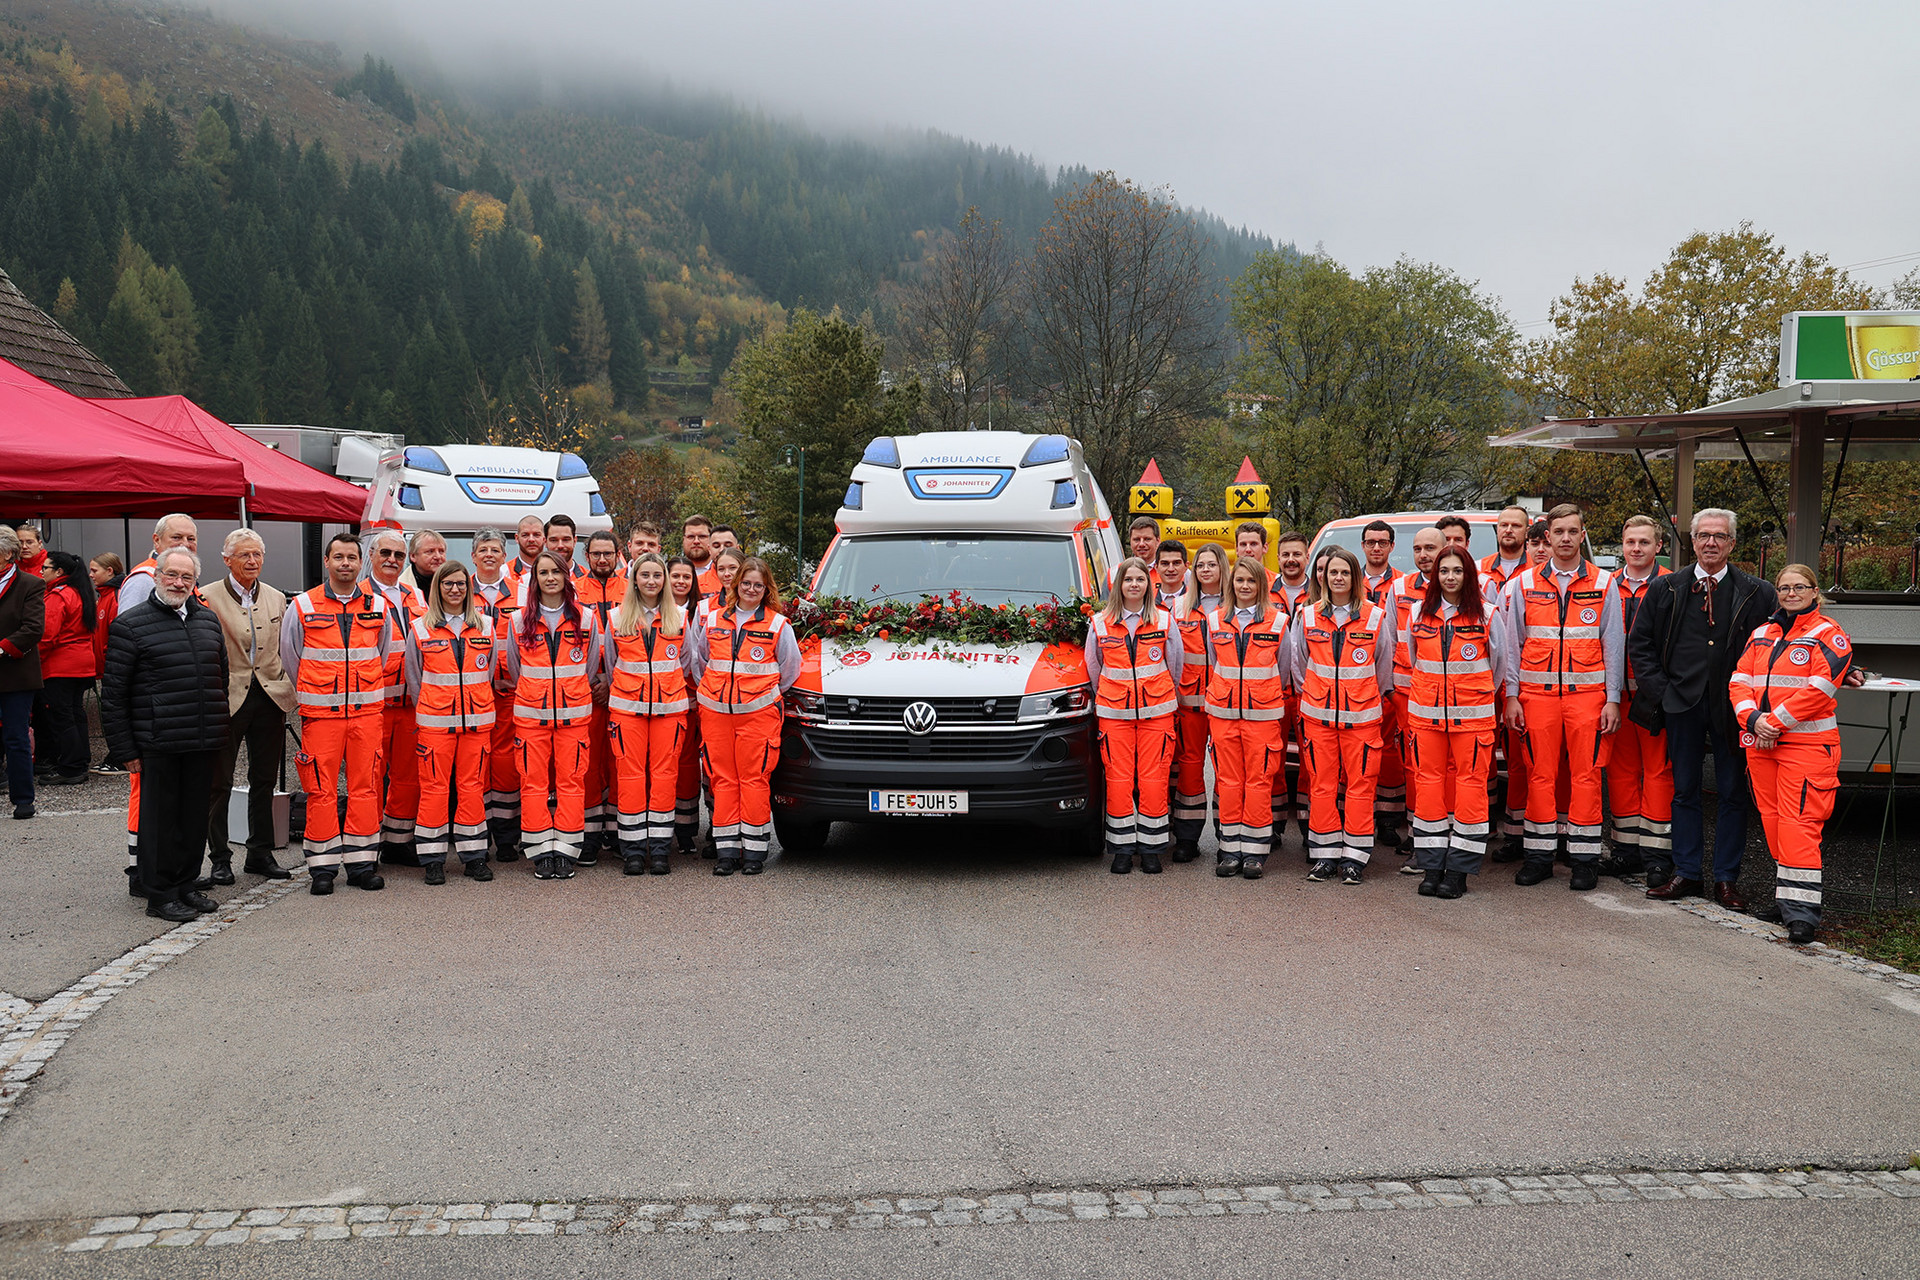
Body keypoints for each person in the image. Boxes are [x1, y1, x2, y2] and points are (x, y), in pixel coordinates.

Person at [1627, 509, 1777, 908]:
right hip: (1682, 703)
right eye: (1704, 535)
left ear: (1732, 543)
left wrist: (1846, 665)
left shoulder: (1757, 591)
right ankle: (1687, 873)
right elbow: (1640, 644)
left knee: (1732, 793)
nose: (1711, 542)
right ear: (1691, 542)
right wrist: (1662, 692)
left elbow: (1786, 637)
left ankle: (1727, 879)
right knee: (1684, 791)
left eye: (1720, 536)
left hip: (1734, 709)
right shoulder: (1667, 588)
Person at [100, 547, 229, 922]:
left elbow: (219, 678)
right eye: (171, 575)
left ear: (194, 582)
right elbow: (114, 694)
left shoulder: (207, 621)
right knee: (159, 823)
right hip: (157, 742)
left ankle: (186, 884)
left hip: (201, 740)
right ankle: (159, 893)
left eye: (186, 577)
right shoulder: (131, 625)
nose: (178, 582)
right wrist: (124, 747)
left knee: (192, 819)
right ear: (157, 576)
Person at [1500, 503, 1623, 891]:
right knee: (1540, 775)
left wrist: (1613, 698)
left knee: (1586, 777)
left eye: (1573, 531)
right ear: (1546, 537)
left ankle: (1585, 861)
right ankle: (1538, 858)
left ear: (1582, 535)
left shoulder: (1604, 583)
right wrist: (1513, 696)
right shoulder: (1522, 584)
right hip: (1536, 698)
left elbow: (1614, 644)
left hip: (1588, 697)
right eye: (1559, 532)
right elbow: (1512, 644)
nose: (1566, 538)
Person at [1731, 564, 1851, 943]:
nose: (1791, 593)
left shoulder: (1828, 635)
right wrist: (1753, 721)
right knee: (1775, 821)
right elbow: (1738, 681)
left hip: (1806, 746)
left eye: (1799, 587)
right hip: (1762, 745)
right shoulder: (1763, 633)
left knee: (1800, 825)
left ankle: (1802, 914)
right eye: (1784, 588)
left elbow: (1819, 689)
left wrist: (1772, 722)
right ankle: (1787, 900)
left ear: (1815, 592)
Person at [282, 533, 391, 895]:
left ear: (362, 563)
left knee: (365, 788)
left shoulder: (378, 605)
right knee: (320, 790)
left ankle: (362, 864)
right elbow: (291, 655)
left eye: (352, 558)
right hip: (322, 716)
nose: (346, 564)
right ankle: (323, 868)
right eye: (339, 557)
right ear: (326, 562)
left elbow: (383, 650)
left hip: (366, 715)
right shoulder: (302, 606)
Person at [1405, 548, 1509, 899]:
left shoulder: (1489, 614)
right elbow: (1414, 657)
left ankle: (1459, 870)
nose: (1450, 577)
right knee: (1429, 788)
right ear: (1435, 577)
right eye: (1444, 571)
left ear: (1469, 576)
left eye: (1458, 571)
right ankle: (1432, 865)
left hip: (1474, 720)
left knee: (1470, 790)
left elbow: (1499, 666)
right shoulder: (1418, 612)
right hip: (1426, 719)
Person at [690, 557, 799, 875]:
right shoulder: (712, 620)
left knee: (753, 780)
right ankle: (726, 851)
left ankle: (753, 851)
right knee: (722, 780)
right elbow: (702, 662)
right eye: (746, 583)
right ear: (736, 584)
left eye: (758, 585)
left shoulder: (778, 625)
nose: (751, 589)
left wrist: (761, 696)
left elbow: (789, 670)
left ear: (766, 590)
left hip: (758, 715)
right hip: (716, 714)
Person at [1291, 545, 1393, 884]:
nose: (1337, 577)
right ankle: (1324, 855)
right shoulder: (1306, 616)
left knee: (1360, 787)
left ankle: (1354, 856)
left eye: (1345, 572)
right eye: (1331, 572)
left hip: (1362, 719)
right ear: (1322, 577)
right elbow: (1299, 665)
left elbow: (1383, 666)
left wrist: (1362, 697)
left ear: (1355, 577)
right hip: (1318, 718)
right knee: (1321, 785)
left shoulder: (1375, 616)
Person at [200, 530, 297, 885]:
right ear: (227, 559)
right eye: (244, 555)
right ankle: (220, 858)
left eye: (257, 554)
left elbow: (287, 646)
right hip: (226, 698)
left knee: (264, 779)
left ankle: (260, 851)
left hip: (270, 696)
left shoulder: (276, 597)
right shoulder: (206, 596)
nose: (252, 561)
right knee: (219, 782)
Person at [502, 549, 604, 880]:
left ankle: (566, 850)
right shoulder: (518, 621)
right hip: (531, 716)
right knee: (533, 783)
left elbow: (589, 666)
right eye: (542, 572)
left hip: (574, 717)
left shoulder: (586, 619)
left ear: (565, 577)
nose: (549, 578)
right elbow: (515, 668)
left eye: (555, 572)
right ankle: (540, 850)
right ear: (535, 580)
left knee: (571, 783)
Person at [405, 561, 499, 885]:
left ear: (468, 588)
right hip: (435, 723)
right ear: (438, 589)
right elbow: (414, 678)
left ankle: (474, 857)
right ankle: (433, 860)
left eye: (460, 584)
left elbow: (488, 673)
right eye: (448, 584)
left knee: (472, 789)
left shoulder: (486, 626)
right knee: (434, 790)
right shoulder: (419, 628)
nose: (455, 589)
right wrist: (434, 706)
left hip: (477, 724)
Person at [116, 514, 198, 883]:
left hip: (180, 721)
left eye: (191, 537)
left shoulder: (185, 580)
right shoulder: (143, 580)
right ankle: (141, 868)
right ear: (156, 539)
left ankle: (167, 869)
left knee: (178, 806)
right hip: (153, 722)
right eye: (176, 536)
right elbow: (130, 651)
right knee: (148, 800)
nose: (185, 542)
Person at [1086, 557, 1181, 874]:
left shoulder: (1165, 621)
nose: (1134, 585)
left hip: (1157, 713)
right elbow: (1094, 667)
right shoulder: (1100, 623)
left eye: (1140, 579)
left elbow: (1175, 665)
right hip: (1114, 713)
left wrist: (1159, 694)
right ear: (1118, 585)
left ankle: (1152, 849)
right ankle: (1123, 850)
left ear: (1148, 585)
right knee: (1119, 780)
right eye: (1129, 580)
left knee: (1154, 780)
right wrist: (1113, 695)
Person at [604, 552, 694, 876]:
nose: (652, 581)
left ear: (665, 580)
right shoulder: (615, 619)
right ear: (634, 580)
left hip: (669, 712)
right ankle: (632, 851)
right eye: (645, 575)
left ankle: (658, 850)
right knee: (630, 779)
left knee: (664, 779)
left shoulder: (680, 617)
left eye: (657, 575)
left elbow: (688, 661)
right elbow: (610, 661)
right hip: (627, 712)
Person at [1204, 556, 1289, 878]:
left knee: (1258, 782)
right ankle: (1229, 849)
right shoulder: (1214, 621)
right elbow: (1216, 663)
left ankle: (1254, 853)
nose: (1244, 586)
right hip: (1223, 715)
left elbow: (1285, 667)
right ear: (1231, 584)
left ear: (1260, 585)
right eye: (1239, 580)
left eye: (1251, 581)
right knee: (1228, 782)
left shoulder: (1278, 621)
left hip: (1263, 716)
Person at [1599, 516, 1673, 878]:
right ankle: (1626, 850)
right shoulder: (1606, 585)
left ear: (1658, 546)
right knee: (1621, 772)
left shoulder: (1673, 585)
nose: (1636, 549)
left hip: (1654, 696)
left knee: (1659, 772)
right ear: (1622, 545)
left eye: (1644, 542)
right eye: (1630, 542)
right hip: (1615, 695)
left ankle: (1657, 855)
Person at [1381, 527, 1443, 863]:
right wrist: (1390, 687)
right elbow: (1389, 640)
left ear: (1445, 548)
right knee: (1414, 765)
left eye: (1430, 548)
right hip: (1407, 692)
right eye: (1418, 549)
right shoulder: (1400, 588)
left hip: (1451, 695)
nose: (1424, 555)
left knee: (1444, 767)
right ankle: (1418, 830)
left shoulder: (1463, 585)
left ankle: (1443, 830)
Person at [365, 530, 426, 864]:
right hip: (374, 704)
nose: (392, 560)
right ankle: (367, 845)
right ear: (372, 555)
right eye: (385, 553)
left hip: (411, 703)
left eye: (399, 555)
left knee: (408, 776)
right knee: (371, 776)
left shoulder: (413, 595)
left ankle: (398, 842)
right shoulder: (358, 596)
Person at [470, 528, 524, 861]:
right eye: (483, 549)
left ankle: (505, 839)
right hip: (470, 696)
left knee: (504, 765)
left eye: (495, 550)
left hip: (508, 694)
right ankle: (476, 838)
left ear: (505, 558)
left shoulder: (521, 593)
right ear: (473, 556)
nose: (489, 554)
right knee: (474, 766)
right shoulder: (457, 591)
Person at [575, 531, 627, 863]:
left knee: (622, 763)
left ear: (618, 554)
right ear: (587, 556)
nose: (602, 560)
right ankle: (590, 835)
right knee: (589, 765)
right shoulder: (574, 590)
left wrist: (614, 678)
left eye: (608, 553)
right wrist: (596, 678)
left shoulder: (632, 587)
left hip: (623, 687)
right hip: (587, 687)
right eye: (596, 554)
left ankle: (622, 832)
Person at [1166, 543, 1213, 861]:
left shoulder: (1240, 602)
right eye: (1202, 565)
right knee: (1190, 770)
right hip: (1190, 703)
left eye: (1213, 564)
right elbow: (1172, 655)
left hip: (1231, 705)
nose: (1207, 570)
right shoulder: (1179, 607)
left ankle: (1230, 838)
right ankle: (1187, 838)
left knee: (1229, 774)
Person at [34, 551, 95, 786]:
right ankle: (79, 761)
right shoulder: (80, 592)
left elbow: (46, 636)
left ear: (59, 572)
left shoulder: (58, 596)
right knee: (75, 713)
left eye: (45, 568)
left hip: (61, 666)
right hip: (81, 664)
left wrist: (33, 661)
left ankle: (70, 767)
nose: (42, 572)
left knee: (62, 716)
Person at [0, 526, 45, 820]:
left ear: (6, 554)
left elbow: (33, 628)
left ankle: (23, 799)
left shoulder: (29, 583)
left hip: (15, 673)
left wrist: (2, 648)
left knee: (16, 738)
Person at [666, 555, 705, 855]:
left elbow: (698, 659)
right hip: (666, 700)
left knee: (689, 766)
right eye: (675, 576)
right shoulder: (658, 612)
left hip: (694, 700)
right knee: (665, 765)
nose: (680, 581)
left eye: (686, 577)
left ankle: (686, 829)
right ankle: (663, 826)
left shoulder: (700, 612)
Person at [1480, 507, 1530, 593]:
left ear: (1527, 532)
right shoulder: (1479, 568)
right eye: (1504, 525)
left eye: (1515, 526)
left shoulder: (1536, 568)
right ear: (1497, 529)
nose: (1508, 530)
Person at [1359, 520, 1399, 603]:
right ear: (1363, 546)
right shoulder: (1351, 581)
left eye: (1383, 543)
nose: (1376, 548)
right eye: (1371, 543)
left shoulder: (1402, 582)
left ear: (1392, 546)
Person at [506, 515, 545, 597]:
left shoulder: (556, 571)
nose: (531, 539)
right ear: (517, 538)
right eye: (525, 535)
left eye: (536, 535)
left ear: (544, 539)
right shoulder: (504, 572)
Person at [1272, 531, 1311, 611]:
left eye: (1297, 554)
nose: (1290, 560)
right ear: (1279, 559)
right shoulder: (1265, 593)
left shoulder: (1318, 593)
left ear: (1307, 558)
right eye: (1285, 555)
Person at [682, 514, 720, 596]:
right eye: (691, 537)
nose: (696, 541)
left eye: (702, 536)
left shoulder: (724, 574)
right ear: (683, 540)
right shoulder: (670, 574)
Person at [1153, 539, 1189, 612]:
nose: (1171, 569)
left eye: (1176, 563)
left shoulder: (1196, 599)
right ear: (1156, 567)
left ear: (1186, 566)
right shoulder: (1146, 600)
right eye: (1165, 563)